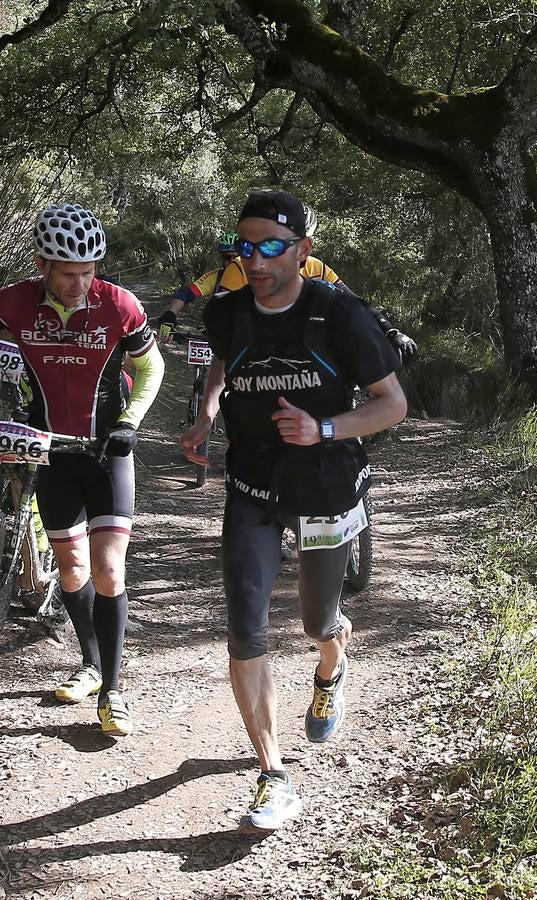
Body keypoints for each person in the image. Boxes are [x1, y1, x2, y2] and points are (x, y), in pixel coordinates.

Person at [181, 189, 407, 830]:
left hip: (324, 483)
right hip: (252, 483)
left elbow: (392, 404)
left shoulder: (338, 313)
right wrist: (205, 414)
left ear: (302, 252)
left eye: (272, 246)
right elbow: (224, 362)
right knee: (246, 628)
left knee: (317, 623)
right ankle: (272, 774)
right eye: (246, 246)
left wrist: (327, 430)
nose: (256, 259)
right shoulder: (227, 312)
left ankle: (332, 667)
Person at [0, 202, 164, 736]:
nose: (79, 284)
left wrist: (130, 421)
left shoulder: (118, 305)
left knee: (109, 569)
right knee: (71, 569)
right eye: (68, 273)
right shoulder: (13, 305)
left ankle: (113, 691)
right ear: (42, 265)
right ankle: (91, 665)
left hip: (105, 453)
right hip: (50, 454)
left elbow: (150, 365)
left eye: (88, 272)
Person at [157, 209, 419, 364]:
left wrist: (390, 330)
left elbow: (355, 303)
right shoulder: (242, 268)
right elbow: (221, 316)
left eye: (301, 241)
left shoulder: (318, 268)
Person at [156, 231, 239, 343]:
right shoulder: (216, 277)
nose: (232, 262)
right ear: (221, 258)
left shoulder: (254, 277)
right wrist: (170, 315)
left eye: (237, 257)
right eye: (227, 258)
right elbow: (186, 294)